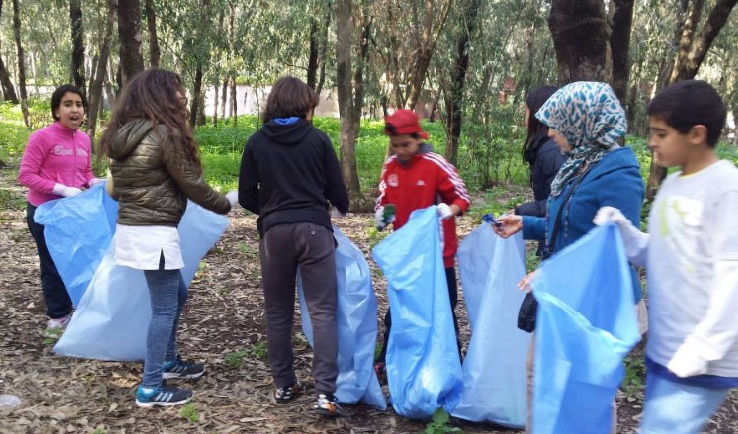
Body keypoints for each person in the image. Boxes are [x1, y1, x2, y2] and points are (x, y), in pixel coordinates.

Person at [493, 81, 646, 432]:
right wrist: (526, 224)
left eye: (557, 123)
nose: (549, 132)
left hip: (596, 305)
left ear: (583, 124)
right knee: (538, 377)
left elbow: (616, 250)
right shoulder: (579, 165)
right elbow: (569, 223)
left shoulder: (618, 175)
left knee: (585, 395)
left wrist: (555, 274)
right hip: (565, 298)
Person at [594, 80, 738, 434]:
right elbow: (659, 253)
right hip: (666, 349)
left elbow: (732, 275)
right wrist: (624, 232)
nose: (652, 142)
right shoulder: (674, 183)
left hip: (701, 360)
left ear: (696, 134)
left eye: (661, 133)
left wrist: (705, 348)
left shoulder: (725, 187)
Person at [99, 69, 236, 407]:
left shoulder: (123, 135)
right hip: (155, 232)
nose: (183, 95)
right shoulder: (163, 134)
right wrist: (226, 203)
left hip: (133, 228)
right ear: (160, 94)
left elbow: (118, 192)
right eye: (177, 89)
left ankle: (169, 360)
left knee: (177, 292)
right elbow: (190, 182)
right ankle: (150, 386)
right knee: (163, 309)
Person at [238, 76, 349, 417]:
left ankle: (284, 385)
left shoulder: (256, 142)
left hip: (274, 235)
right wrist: (326, 206)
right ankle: (325, 394)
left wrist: (271, 212)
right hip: (315, 232)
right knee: (323, 311)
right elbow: (339, 194)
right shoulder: (318, 140)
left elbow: (245, 195)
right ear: (303, 107)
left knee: (277, 311)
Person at [373, 108, 471, 374]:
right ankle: (387, 358)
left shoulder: (435, 164)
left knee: (444, 310)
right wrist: (383, 215)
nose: (401, 150)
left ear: (418, 138)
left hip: (438, 256)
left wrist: (448, 210)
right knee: (400, 309)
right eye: (395, 146)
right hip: (405, 256)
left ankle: (452, 363)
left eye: (406, 144)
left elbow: (462, 197)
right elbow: (384, 201)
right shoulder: (390, 167)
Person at [19, 84, 99, 330]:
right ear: (56, 110)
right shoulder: (42, 137)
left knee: (74, 260)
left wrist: (94, 182)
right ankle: (58, 316)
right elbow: (26, 175)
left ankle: (76, 307)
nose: (74, 110)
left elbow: (85, 171)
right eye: (67, 104)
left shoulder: (84, 138)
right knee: (52, 263)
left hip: (73, 212)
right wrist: (60, 189)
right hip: (46, 213)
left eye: (79, 105)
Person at [514, 85, 565, 220]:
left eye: (526, 111)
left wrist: (522, 212)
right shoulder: (544, 148)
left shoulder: (552, 151)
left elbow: (561, 203)